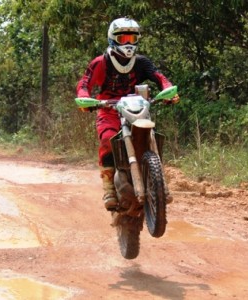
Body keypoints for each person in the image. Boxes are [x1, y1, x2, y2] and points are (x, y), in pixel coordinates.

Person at [76, 17, 179, 211]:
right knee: (107, 139)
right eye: (123, 39)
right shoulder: (101, 62)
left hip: (137, 108)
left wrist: (169, 91)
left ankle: (157, 181)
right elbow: (84, 83)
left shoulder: (141, 62)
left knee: (153, 135)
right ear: (113, 39)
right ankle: (108, 188)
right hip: (109, 110)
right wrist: (84, 99)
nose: (129, 43)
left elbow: (159, 77)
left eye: (132, 38)